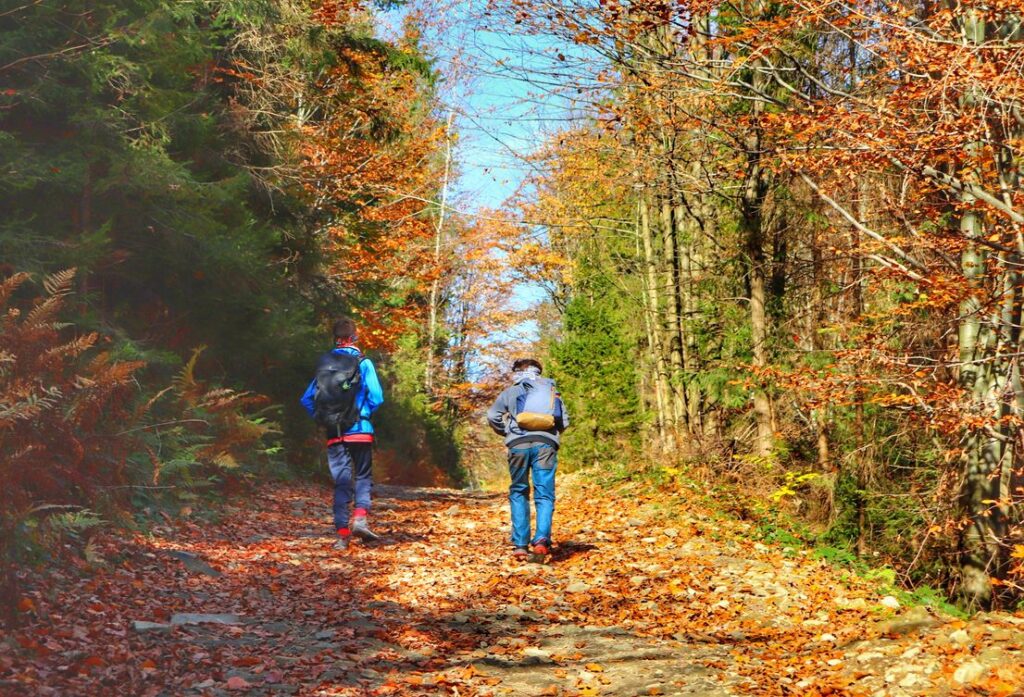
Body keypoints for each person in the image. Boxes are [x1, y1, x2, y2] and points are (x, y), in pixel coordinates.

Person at [301, 317, 384, 550]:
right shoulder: (363, 362)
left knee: (341, 482)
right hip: (360, 430)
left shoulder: (325, 365)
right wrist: (364, 414)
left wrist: (325, 419)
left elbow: (306, 399)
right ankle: (359, 518)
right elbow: (377, 397)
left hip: (334, 433)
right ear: (354, 336)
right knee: (363, 476)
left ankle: (342, 535)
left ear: (335, 338)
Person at [486, 358, 569, 561]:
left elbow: (492, 416)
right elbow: (564, 421)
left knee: (519, 491)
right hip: (545, 445)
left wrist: (508, 431)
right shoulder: (551, 390)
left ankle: (521, 545)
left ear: (517, 372)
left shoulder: (511, 391)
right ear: (539, 372)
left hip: (518, 446)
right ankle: (541, 541)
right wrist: (549, 433)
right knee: (544, 494)